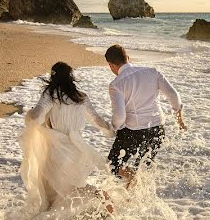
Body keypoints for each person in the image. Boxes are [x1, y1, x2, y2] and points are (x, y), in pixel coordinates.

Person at [20, 62, 115, 210]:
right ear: (71, 78)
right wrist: (112, 131)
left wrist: (30, 115)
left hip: (58, 150)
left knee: (53, 191)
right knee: (71, 187)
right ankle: (99, 200)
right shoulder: (81, 97)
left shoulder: (51, 95)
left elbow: (36, 116)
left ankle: (99, 196)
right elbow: (97, 120)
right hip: (77, 150)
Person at [105, 44, 186, 182]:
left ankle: (134, 184)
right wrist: (179, 119)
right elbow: (173, 95)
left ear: (110, 65)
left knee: (113, 165)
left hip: (134, 132)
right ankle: (134, 197)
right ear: (127, 58)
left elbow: (120, 117)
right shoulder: (152, 72)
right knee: (141, 167)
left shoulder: (116, 84)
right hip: (158, 130)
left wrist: (113, 128)